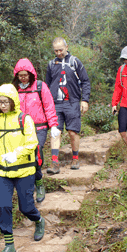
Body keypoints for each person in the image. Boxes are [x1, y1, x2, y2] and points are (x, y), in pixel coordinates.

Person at [0, 84, 45, 252]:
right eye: (0, 102)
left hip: (24, 171)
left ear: (13, 101)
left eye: (6, 102)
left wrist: (16, 154)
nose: (3, 105)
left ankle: (38, 220)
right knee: (3, 206)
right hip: (3, 172)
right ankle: (9, 245)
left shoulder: (24, 119)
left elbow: (32, 143)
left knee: (26, 207)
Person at [12, 58, 60, 203]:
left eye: (25, 75)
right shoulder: (14, 89)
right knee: (22, 156)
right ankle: (27, 185)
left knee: (36, 154)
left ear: (31, 74)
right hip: (20, 129)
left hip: (39, 128)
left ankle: (38, 183)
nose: (23, 78)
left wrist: (53, 126)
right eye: (20, 75)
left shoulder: (40, 86)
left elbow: (49, 106)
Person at [44, 37, 91, 173]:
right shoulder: (51, 64)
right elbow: (47, 85)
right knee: (55, 132)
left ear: (66, 47)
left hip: (72, 102)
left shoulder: (75, 62)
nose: (58, 52)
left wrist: (85, 100)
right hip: (55, 103)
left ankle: (75, 158)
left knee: (73, 132)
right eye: (56, 50)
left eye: (61, 49)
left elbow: (85, 81)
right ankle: (54, 162)